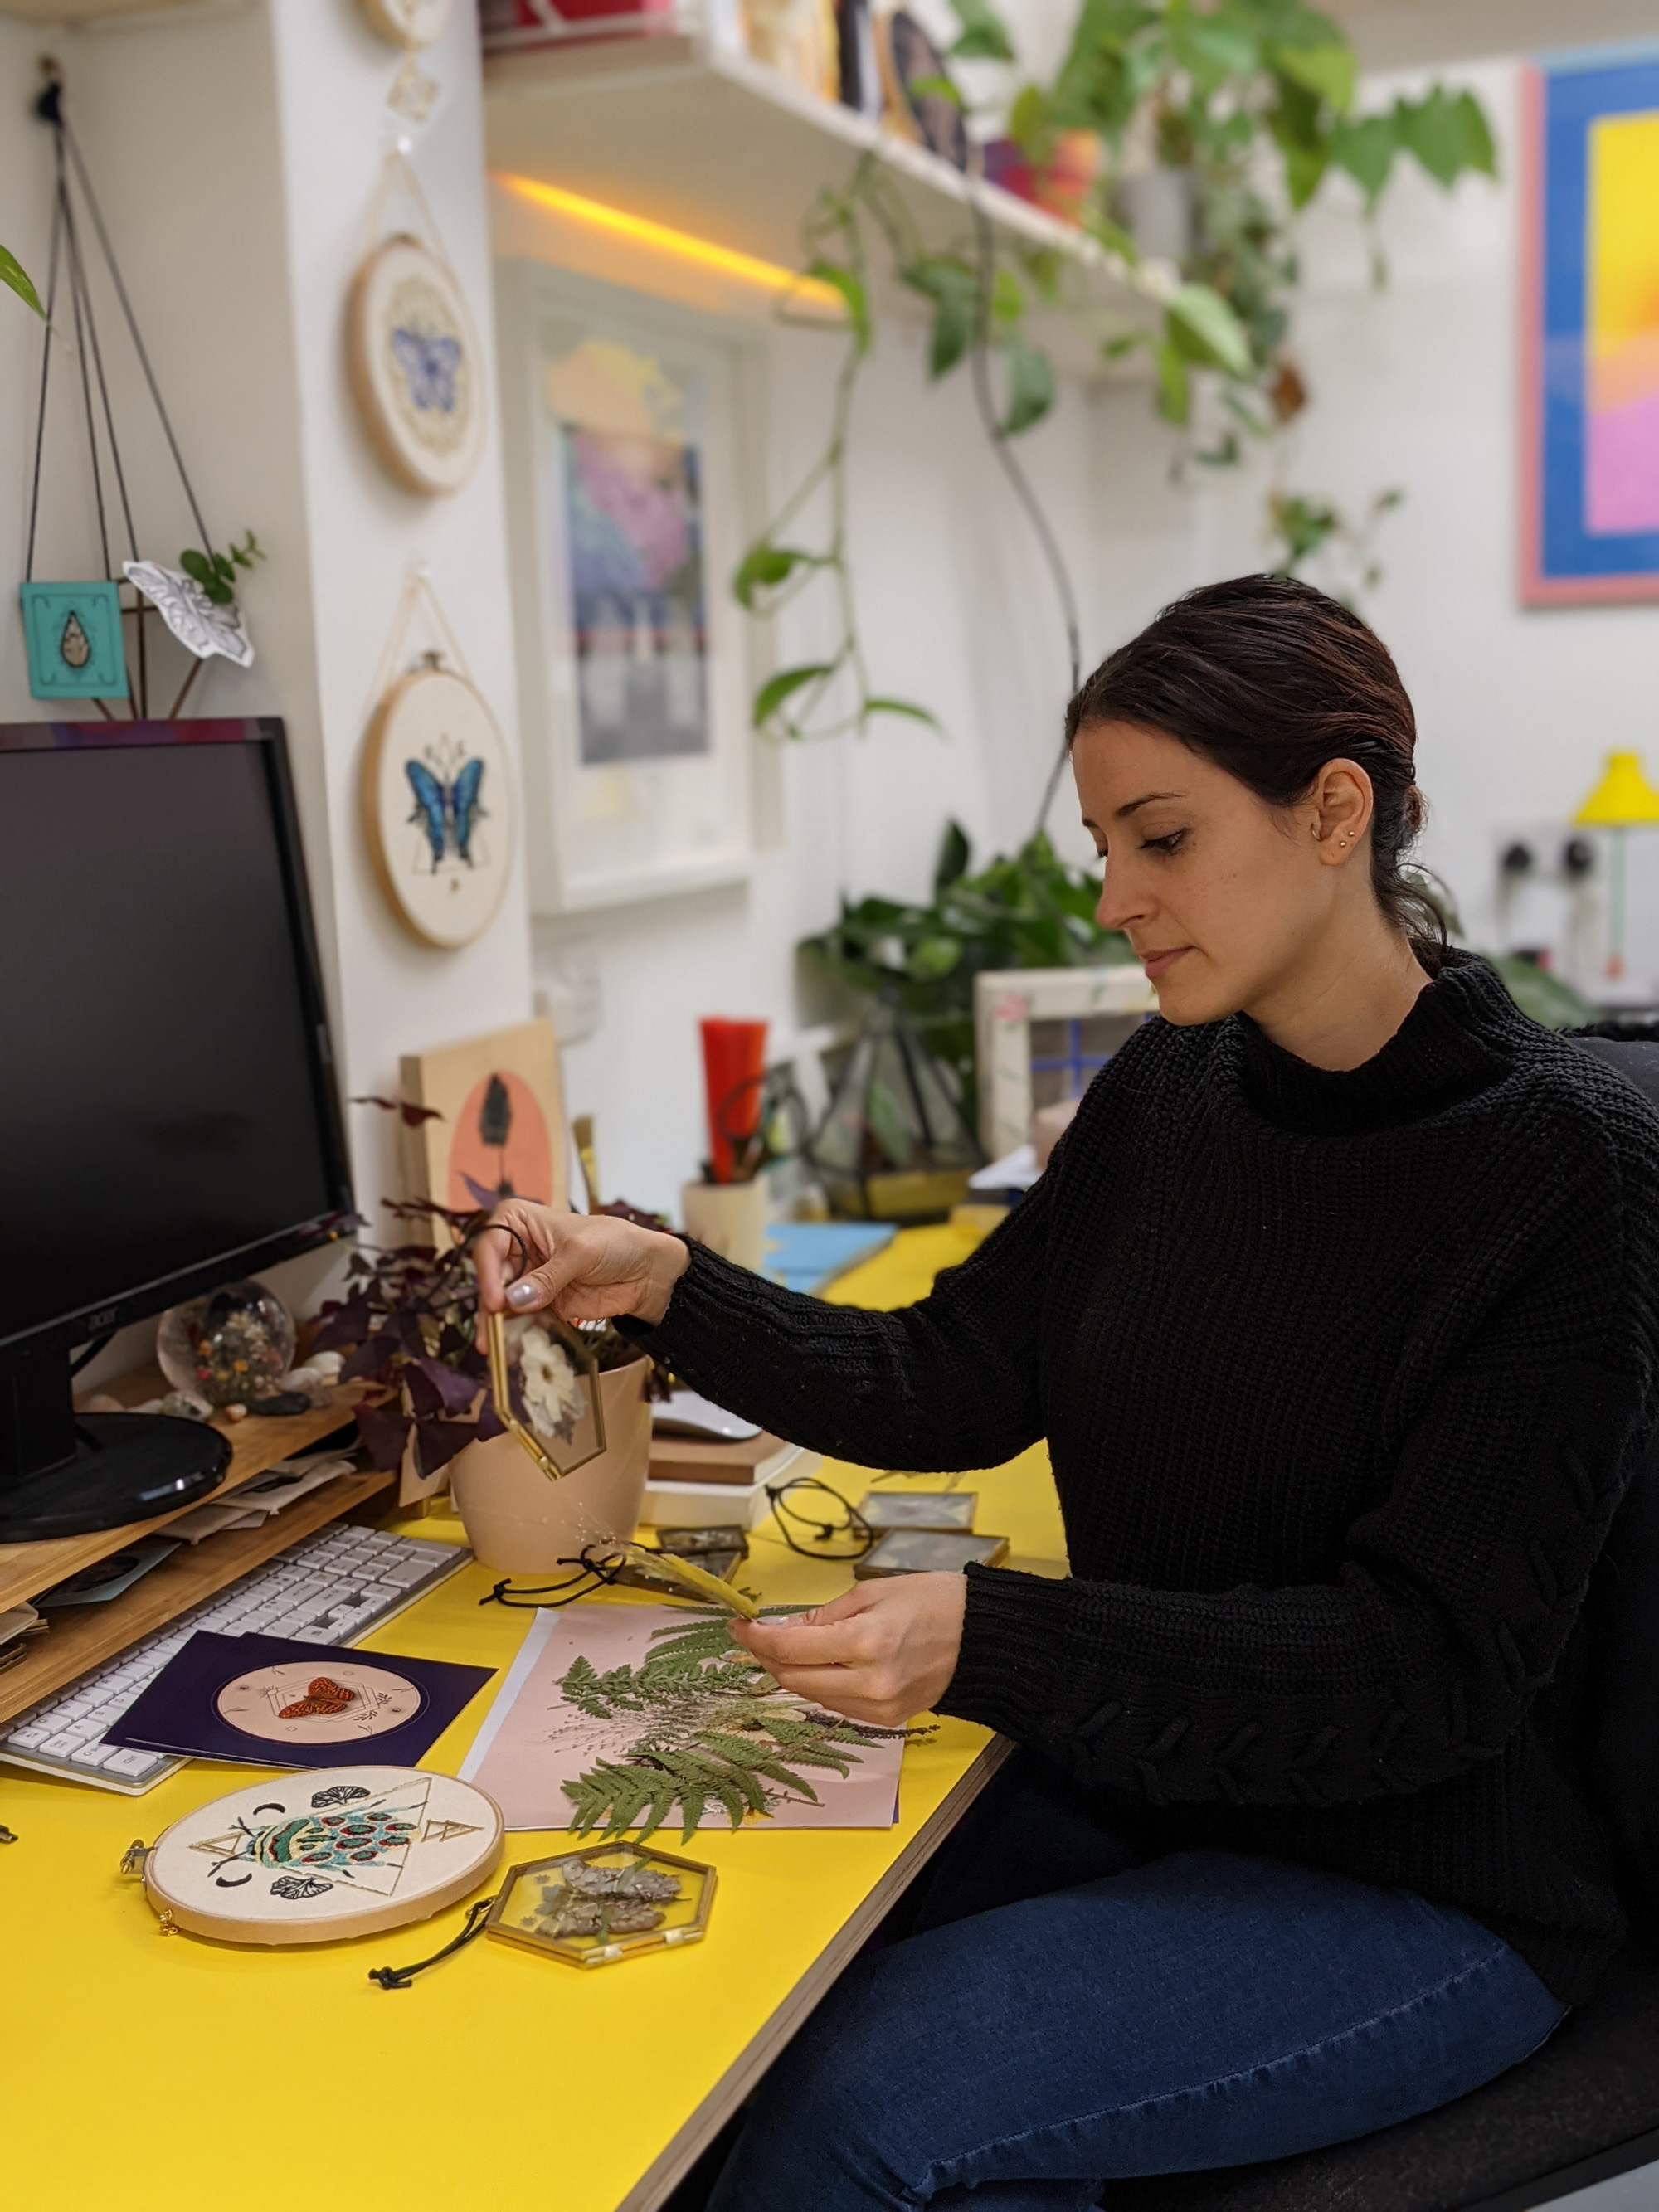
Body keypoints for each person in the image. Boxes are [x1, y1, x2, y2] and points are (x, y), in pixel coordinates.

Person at [475, 576, 1659, 2211]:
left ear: (1335, 811)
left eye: (1160, 839)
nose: (1114, 897)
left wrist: (995, 1636)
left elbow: (1427, 1671)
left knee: (857, 2111)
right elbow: (953, 1371)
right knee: (724, 1994)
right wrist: (669, 1283)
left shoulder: (1566, 1174)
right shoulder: (1175, 1082)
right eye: (1104, 846)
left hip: (1429, 1881)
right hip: (1162, 1786)